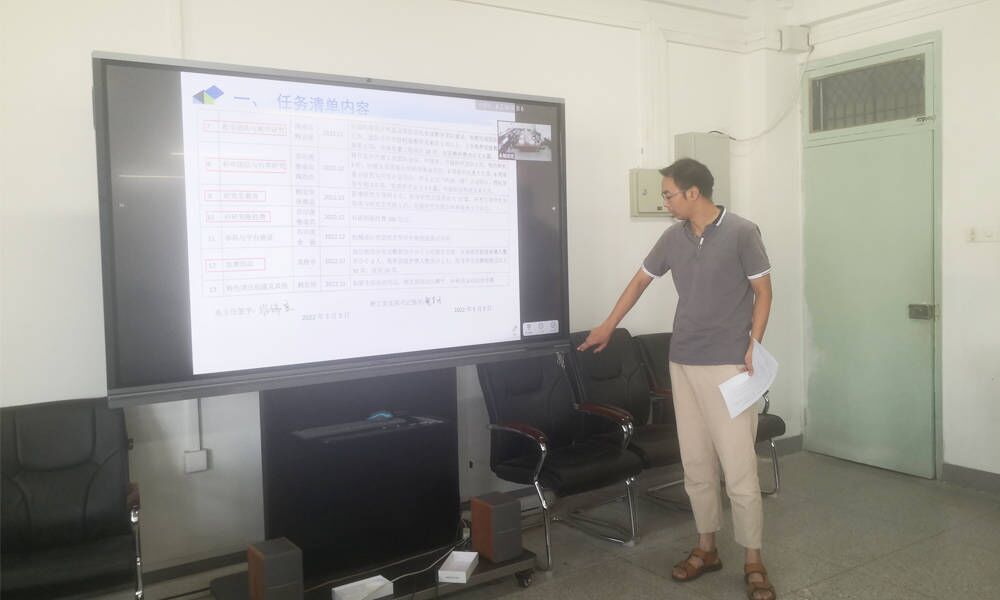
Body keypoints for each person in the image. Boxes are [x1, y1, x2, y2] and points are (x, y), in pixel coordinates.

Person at [577, 158, 776, 600]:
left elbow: (763, 292)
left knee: (739, 468)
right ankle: (707, 547)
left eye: (668, 194)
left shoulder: (743, 232)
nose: (664, 202)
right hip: (683, 362)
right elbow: (640, 281)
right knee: (696, 464)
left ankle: (753, 558)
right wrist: (608, 325)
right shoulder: (673, 238)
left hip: (729, 365)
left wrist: (754, 345)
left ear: (693, 193)